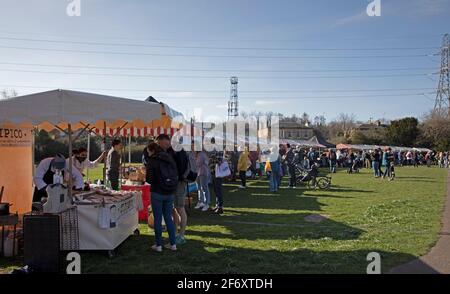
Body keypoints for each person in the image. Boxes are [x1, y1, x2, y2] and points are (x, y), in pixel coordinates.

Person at [156, 134, 190, 246]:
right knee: (174, 209)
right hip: (174, 183)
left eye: (161, 144)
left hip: (179, 183)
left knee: (180, 208)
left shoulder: (178, 150)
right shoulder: (172, 150)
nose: (161, 146)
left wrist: (177, 178)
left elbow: (181, 168)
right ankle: (174, 233)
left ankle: (181, 235)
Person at [145, 142, 178, 252]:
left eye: (148, 151)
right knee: (168, 217)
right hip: (169, 191)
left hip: (157, 192)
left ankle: (158, 245)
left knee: (158, 219)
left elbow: (149, 179)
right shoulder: (168, 157)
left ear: (152, 150)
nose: (148, 153)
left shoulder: (152, 160)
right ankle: (173, 244)